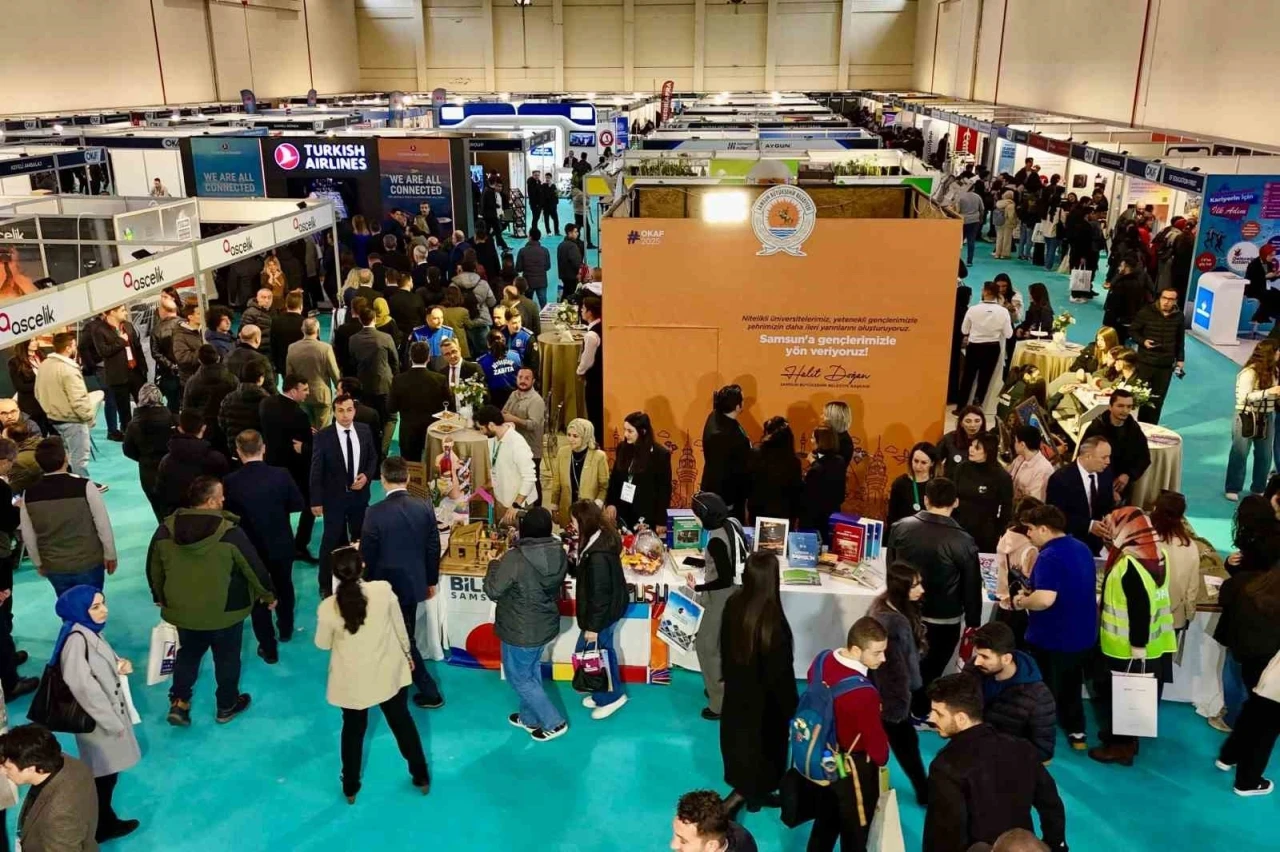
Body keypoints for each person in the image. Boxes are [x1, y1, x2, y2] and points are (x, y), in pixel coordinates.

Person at [148, 475, 275, 727]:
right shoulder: (230, 533)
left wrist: (159, 596)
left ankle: (179, 702)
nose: (224, 499)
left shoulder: (165, 530)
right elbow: (253, 567)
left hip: (182, 610)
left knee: (188, 654)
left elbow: (154, 568)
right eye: (220, 496)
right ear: (209, 501)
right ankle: (226, 705)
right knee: (227, 658)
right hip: (225, 612)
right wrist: (268, 595)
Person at [315, 546, 430, 803]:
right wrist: (407, 655)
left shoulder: (328, 608)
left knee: (353, 731)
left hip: (352, 680)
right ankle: (421, 775)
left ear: (335, 574)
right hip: (388, 672)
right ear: (363, 566)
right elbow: (400, 628)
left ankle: (350, 786)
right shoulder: (383, 591)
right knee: (402, 722)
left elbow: (322, 644)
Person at [923, 674, 1068, 852]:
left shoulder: (945, 767)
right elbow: (1051, 805)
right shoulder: (1022, 748)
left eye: (938, 713)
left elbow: (945, 834)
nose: (931, 718)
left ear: (961, 718)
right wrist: (1055, 846)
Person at [1087, 506, 1178, 766]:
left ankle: (1120, 748)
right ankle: (1126, 739)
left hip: (1126, 647)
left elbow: (1140, 608)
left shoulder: (1129, 565)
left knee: (1120, 697)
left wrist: (1137, 646)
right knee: (1131, 697)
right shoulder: (1157, 555)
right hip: (1155, 644)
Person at [885, 478, 981, 721]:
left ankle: (899, 708)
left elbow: (892, 571)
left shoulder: (900, 527)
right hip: (944, 618)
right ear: (955, 502)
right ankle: (919, 711)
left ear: (926, 500)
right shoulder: (963, 540)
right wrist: (973, 621)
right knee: (931, 670)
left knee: (901, 663)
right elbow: (971, 586)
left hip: (904, 611)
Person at [53, 586, 141, 842]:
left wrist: (118, 664)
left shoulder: (88, 631)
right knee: (104, 775)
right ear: (79, 610)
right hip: (100, 723)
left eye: (103, 603)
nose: (104, 610)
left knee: (106, 774)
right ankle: (101, 824)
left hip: (105, 719)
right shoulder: (77, 640)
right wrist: (113, 723)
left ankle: (103, 820)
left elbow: (99, 663)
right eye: (95, 606)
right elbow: (84, 688)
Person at [804, 617, 890, 852]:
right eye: (877, 653)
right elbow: (877, 749)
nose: (883, 658)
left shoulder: (821, 660)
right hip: (853, 765)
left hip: (824, 755)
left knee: (826, 817)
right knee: (856, 828)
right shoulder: (863, 693)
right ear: (856, 649)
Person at [484, 508, 570, 741]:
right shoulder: (559, 551)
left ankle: (554, 722)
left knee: (519, 678)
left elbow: (493, 590)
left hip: (520, 628)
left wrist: (493, 565)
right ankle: (529, 718)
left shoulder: (516, 557)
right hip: (544, 623)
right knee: (530, 672)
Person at [222, 430, 305, 663]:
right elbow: (298, 504)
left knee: (257, 593)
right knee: (284, 585)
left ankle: (268, 648)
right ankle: (286, 629)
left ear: (238, 452)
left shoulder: (230, 482)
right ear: (264, 448)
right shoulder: (281, 475)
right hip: (280, 543)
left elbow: (227, 515)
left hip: (249, 549)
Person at [19, 438, 116, 596]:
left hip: (54, 564)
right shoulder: (85, 486)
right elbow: (102, 524)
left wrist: (37, 562)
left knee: (67, 604)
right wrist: (110, 554)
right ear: (66, 458)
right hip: (88, 561)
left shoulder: (29, 494)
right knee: (93, 604)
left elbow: (28, 534)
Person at [870, 562, 930, 804]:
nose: (921, 590)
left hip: (886, 693)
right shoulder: (894, 624)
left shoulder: (887, 609)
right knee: (906, 745)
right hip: (892, 698)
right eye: (915, 585)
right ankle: (924, 792)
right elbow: (897, 673)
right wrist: (913, 695)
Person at [685, 492, 748, 722]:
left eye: (696, 515)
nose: (695, 519)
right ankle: (718, 687)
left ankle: (718, 702)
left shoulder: (715, 541)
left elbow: (723, 579)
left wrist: (698, 587)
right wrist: (704, 562)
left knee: (707, 647)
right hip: (734, 595)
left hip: (719, 598)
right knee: (721, 645)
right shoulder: (732, 523)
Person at [311, 395, 379, 596]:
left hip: (360, 497)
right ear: (334, 412)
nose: (345, 415)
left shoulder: (364, 430)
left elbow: (373, 457)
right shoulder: (324, 436)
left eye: (349, 410)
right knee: (331, 541)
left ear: (355, 411)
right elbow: (316, 470)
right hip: (334, 499)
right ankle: (325, 584)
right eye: (340, 410)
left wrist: (366, 476)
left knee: (361, 538)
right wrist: (315, 500)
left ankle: (363, 577)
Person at [568, 500, 628, 719]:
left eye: (574, 520)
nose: (572, 524)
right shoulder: (599, 539)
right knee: (597, 652)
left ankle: (611, 698)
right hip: (606, 610)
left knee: (598, 654)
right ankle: (602, 692)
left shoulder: (598, 554)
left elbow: (600, 594)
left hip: (603, 613)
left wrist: (593, 627)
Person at [965, 622, 1057, 762]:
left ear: (1006, 659)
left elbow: (1043, 750)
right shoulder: (973, 670)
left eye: (985, 657)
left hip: (1005, 762)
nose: (977, 661)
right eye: (977, 654)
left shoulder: (1039, 696)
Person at [0, 725, 99, 850]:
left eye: (7, 767)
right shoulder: (67, 762)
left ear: (31, 768)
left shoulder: (58, 817)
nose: (1, 771)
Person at [33, 332, 97, 480]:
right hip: (73, 420)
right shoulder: (68, 369)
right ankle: (82, 485)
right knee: (79, 458)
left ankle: (69, 483)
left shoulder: (44, 365)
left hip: (54, 419)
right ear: (68, 348)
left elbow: (37, 393)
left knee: (66, 456)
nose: (75, 348)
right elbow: (78, 399)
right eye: (74, 345)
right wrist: (89, 418)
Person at [1227, 338, 1280, 499]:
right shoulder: (1249, 372)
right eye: (1277, 351)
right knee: (1240, 453)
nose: (1279, 354)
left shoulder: (1275, 372)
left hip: (1267, 416)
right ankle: (1233, 487)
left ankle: (1259, 487)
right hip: (1246, 415)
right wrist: (1269, 392)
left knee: (1265, 455)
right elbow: (1244, 398)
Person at [1045, 435, 1115, 555]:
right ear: (1088, 456)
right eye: (1104, 457)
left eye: (1109, 456)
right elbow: (1056, 517)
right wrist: (1089, 526)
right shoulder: (1060, 479)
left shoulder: (1105, 473)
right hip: (1070, 545)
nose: (1108, 461)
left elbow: (1108, 504)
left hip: (1098, 544)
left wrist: (1110, 516)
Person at [154, 409, 229, 518]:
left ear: (180, 429)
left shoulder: (166, 461)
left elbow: (161, 493)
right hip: (212, 518)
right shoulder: (217, 459)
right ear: (204, 428)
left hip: (178, 518)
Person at [606, 411, 672, 534]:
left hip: (647, 514)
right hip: (623, 512)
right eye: (625, 430)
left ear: (643, 432)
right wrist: (611, 503)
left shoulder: (660, 454)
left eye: (630, 431)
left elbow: (664, 489)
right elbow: (615, 478)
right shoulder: (622, 448)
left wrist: (661, 520)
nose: (625, 434)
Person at [1081, 388, 1150, 502]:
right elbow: (1085, 460)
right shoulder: (1096, 428)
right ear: (1110, 406)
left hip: (1123, 485)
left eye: (1129, 407)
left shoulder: (1133, 428)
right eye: (1120, 406)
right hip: (1097, 487)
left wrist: (1128, 475)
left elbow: (1144, 457)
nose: (1125, 411)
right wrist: (1107, 488)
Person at [1148, 491, 1201, 635]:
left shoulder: (1142, 542)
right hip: (1173, 619)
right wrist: (1189, 615)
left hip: (1142, 616)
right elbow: (1192, 589)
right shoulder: (1190, 547)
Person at [90, 305, 147, 440]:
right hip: (118, 376)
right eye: (122, 310)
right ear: (112, 312)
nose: (126, 313)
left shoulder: (128, 326)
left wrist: (143, 368)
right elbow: (103, 351)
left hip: (135, 372)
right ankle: (129, 436)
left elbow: (137, 347)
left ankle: (146, 431)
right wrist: (121, 341)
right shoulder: (99, 330)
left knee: (144, 404)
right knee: (124, 411)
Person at [1130, 287, 1185, 423]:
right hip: (1145, 362)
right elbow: (1133, 331)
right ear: (1160, 298)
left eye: (1170, 299)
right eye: (1164, 298)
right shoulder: (1146, 312)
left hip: (1165, 365)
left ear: (1175, 301)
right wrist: (1143, 341)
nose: (1166, 302)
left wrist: (1180, 359)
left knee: (1158, 400)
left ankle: (1152, 426)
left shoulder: (1179, 316)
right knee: (1139, 396)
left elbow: (1180, 339)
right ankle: (1135, 424)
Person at [474, 404, 537, 524]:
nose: (481, 432)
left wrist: (516, 505)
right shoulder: (492, 439)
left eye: (482, 428)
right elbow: (497, 468)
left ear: (491, 425)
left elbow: (530, 478)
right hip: (503, 499)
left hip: (519, 504)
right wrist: (482, 489)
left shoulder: (517, 443)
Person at [952, 432, 1014, 553]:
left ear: (988, 451)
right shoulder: (962, 468)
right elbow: (953, 496)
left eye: (977, 448)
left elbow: (1006, 509)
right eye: (971, 445)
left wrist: (999, 532)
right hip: (959, 528)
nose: (971, 449)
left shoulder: (1001, 477)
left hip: (985, 534)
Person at [957, 282, 1014, 411]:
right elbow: (1009, 334)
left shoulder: (973, 309)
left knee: (968, 377)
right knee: (985, 379)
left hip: (974, 346)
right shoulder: (1003, 312)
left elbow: (964, 330)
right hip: (992, 348)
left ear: (985, 292)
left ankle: (960, 407)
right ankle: (977, 406)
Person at [389, 342, 449, 464]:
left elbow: (391, 407)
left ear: (410, 357)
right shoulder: (440, 379)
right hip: (433, 432)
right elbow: (449, 406)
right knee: (434, 467)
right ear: (428, 357)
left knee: (411, 470)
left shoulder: (398, 380)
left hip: (408, 434)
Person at [701, 385, 751, 522]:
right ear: (737, 407)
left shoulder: (715, 416)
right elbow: (726, 472)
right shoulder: (729, 437)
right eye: (743, 400)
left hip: (715, 493)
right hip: (725, 500)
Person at [348, 304, 399, 435]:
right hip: (384, 384)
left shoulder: (353, 339)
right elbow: (395, 361)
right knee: (390, 418)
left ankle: (373, 444)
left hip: (364, 385)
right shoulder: (385, 338)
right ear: (375, 319)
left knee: (369, 419)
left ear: (360, 320)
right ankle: (384, 446)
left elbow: (352, 362)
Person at [747, 417, 803, 526]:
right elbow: (796, 492)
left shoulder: (755, 454)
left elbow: (748, 482)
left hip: (759, 511)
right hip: (784, 514)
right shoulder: (794, 461)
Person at [287, 318, 342, 429]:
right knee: (323, 431)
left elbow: (289, 375)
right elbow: (334, 372)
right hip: (321, 396)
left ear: (302, 330)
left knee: (307, 429)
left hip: (302, 396)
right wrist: (340, 388)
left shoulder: (292, 348)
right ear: (318, 330)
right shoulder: (325, 348)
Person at [182, 344, 237, 454]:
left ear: (200, 360)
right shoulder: (231, 379)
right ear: (218, 358)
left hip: (204, 428)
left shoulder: (193, 382)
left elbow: (187, 409)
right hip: (227, 426)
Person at [503, 366, 546, 496]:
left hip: (530, 448)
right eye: (520, 377)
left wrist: (513, 419)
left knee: (532, 481)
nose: (523, 381)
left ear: (533, 381)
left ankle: (537, 507)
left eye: (527, 378)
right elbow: (504, 412)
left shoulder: (536, 400)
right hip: (514, 445)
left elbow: (533, 425)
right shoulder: (513, 395)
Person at [800, 428, 847, 544]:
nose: (810, 441)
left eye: (813, 438)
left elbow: (807, 497)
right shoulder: (840, 461)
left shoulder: (816, 469)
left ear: (820, 442)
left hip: (815, 522)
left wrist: (813, 463)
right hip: (833, 517)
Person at [671, 790, 758, 852]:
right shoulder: (716, 826)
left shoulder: (744, 843)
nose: (673, 845)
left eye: (683, 841)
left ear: (711, 846)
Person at [218, 361, 270, 460]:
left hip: (236, 449)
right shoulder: (266, 400)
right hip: (258, 450)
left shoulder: (229, 398)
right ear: (260, 378)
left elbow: (222, 423)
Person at [885, 442, 935, 536]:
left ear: (932, 463)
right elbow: (892, 516)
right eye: (915, 461)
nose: (918, 466)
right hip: (902, 534)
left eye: (923, 463)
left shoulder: (936, 485)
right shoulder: (900, 483)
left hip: (927, 536)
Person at [577, 295, 604, 439]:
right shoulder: (601, 327)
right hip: (602, 377)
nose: (581, 311)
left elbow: (587, 360)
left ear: (590, 312)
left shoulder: (592, 335)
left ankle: (596, 439)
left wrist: (580, 371)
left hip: (594, 379)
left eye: (583, 308)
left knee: (594, 411)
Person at [937, 405, 988, 481]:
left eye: (977, 421)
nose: (972, 425)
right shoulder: (949, 439)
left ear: (982, 422)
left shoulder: (988, 440)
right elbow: (935, 460)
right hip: (952, 483)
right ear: (961, 423)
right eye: (968, 421)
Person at [476, 330, 522, 409]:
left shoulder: (482, 361)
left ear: (488, 344)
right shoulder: (516, 356)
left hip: (495, 402)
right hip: (516, 398)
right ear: (504, 341)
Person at [225, 324, 277, 393]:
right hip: (253, 396)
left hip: (232, 396)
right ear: (257, 339)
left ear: (241, 337)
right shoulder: (261, 359)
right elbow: (269, 386)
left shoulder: (228, 355)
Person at [1009, 426, 1052, 502]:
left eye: (1016, 441)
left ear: (1022, 445)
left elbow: (1035, 502)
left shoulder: (1043, 470)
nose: (1014, 444)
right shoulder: (1020, 458)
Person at [270, 291, 306, 379]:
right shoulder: (306, 323)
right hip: (302, 363)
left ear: (286, 305)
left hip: (283, 363)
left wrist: (276, 364)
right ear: (301, 306)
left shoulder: (276, 321)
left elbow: (273, 344)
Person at [516, 227, 552, 307]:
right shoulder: (545, 250)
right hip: (541, 281)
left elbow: (518, 268)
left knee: (527, 305)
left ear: (530, 237)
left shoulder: (522, 251)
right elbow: (547, 267)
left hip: (528, 282)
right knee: (543, 304)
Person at [956, 182, 984, 265]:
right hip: (974, 220)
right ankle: (969, 261)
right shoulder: (977, 197)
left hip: (963, 220)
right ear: (973, 188)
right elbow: (982, 209)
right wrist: (981, 219)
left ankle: (957, 259)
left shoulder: (960, 197)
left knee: (959, 241)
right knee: (971, 241)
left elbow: (957, 209)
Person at [822, 401, 856, 465]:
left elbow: (830, 463)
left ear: (834, 418)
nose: (821, 417)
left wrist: (813, 459)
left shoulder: (844, 442)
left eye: (825, 415)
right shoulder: (832, 436)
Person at [557, 222, 584, 301]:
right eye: (575, 232)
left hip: (564, 275)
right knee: (572, 296)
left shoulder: (561, 245)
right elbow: (576, 262)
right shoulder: (572, 246)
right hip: (572, 276)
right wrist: (580, 272)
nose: (577, 233)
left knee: (566, 293)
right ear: (569, 233)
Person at [993, 190, 1017, 259]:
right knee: (1007, 239)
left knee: (999, 238)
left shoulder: (999, 203)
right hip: (1007, 223)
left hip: (999, 222)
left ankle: (997, 253)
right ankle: (1004, 254)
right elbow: (1011, 216)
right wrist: (1014, 223)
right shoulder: (1011, 205)